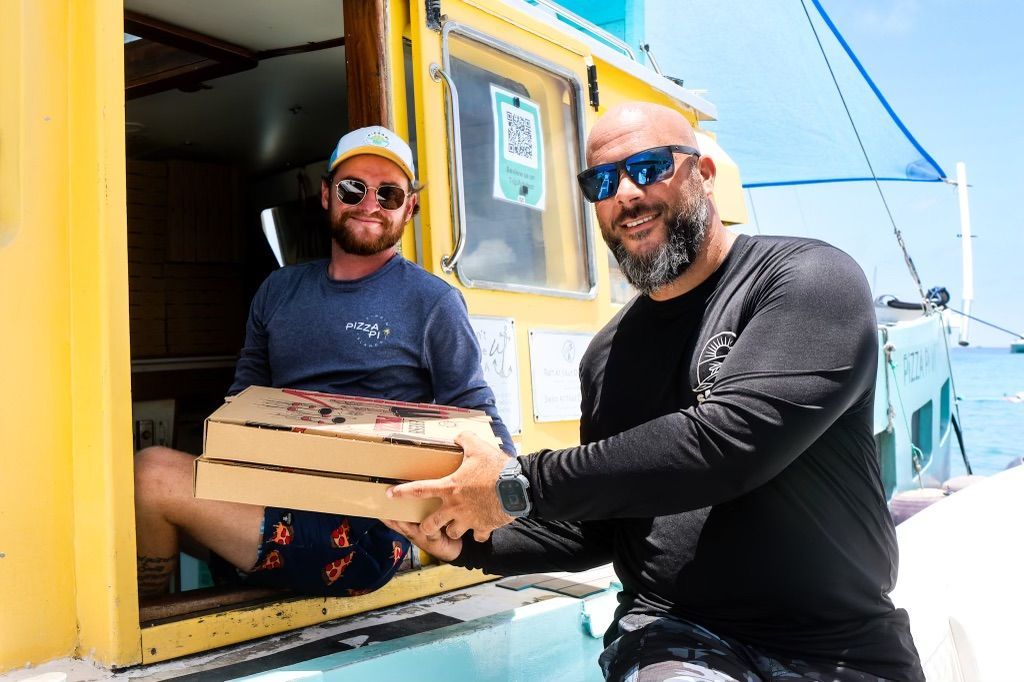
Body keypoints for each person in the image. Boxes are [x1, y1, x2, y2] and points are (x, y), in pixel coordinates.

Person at [384, 103, 925, 681]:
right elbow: (594, 528)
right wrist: (466, 539)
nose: (625, 194)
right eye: (602, 181)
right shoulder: (607, 354)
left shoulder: (807, 279)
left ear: (705, 175)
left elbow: (728, 443)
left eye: (648, 168)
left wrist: (516, 483)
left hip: (841, 643)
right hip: (678, 634)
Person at [134, 126, 514, 599]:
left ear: (409, 208)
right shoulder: (278, 289)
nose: (369, 203)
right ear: (326, 195)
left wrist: (508, 495)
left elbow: (475, 412)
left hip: (367, 529)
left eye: (389, 193)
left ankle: (135, 646)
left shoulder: (432, 301)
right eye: (353, 188)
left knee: (151, 476)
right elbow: (245, 396)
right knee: (112, 502)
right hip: (268, 493)